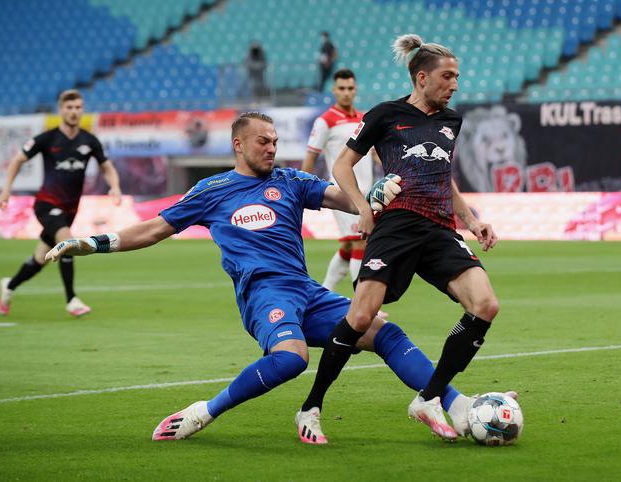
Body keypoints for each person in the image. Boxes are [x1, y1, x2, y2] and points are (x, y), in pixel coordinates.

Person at [45, 112, 480, 444]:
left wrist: (371, 196)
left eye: (274, 141)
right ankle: (204, 412)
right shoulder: (211, 191)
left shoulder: (290, 180)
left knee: (384, 331)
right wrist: (94, 243)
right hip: (263, 293)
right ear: (239, 144)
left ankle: (458, 405)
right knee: (292, 358)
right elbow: (154, 229)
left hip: (306, 291)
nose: (272, 148)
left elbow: (338, 198)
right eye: (262, 141)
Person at [296, 34, 506, 442]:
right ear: (422, 77)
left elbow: (445, 178)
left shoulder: (451, 121)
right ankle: (311, 406)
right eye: (448, 76)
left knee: (486, 304)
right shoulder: (385, 115)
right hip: (395, 226)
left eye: (458, 76)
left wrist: (471, 219)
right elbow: (342, 165)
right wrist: (361, 207)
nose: (455, 84)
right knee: (360, 318)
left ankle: (428, 397)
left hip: (440, 228)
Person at [0, 89, 122, 317]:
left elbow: (106, 166)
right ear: (61, 109)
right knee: (68, 241)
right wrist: (6, 191)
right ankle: (71, 299)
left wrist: (115, 186)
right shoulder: (47, 138)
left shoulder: (89, 140)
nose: (74, 112)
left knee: (40, 259)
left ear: (82, 110)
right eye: (69, 108)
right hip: (46, 203)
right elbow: (17, 160)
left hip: (70, 209)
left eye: (78, 108)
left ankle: (9, 285)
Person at [302, 68, 376, 291]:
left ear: (356, 90)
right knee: (360, 241)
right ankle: (361, 303)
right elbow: (311, 157)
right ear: (334, 90)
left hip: (367, 191)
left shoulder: (364, 119)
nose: (346, 93)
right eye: (342, 88)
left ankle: (323, 293)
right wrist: (303, 191)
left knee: (347, 246)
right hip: (344, 193)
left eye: (350, 88)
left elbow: (375, 153)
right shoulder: (325, 121)